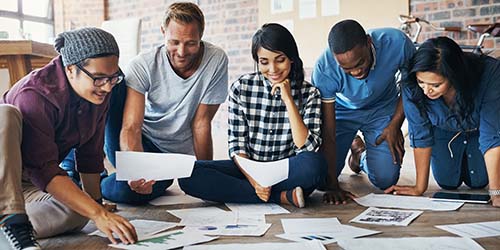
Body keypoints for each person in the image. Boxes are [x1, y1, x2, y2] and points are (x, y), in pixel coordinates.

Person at [60, 2, 228, 205]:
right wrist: (138, 170)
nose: (182, 52)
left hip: (169, 158)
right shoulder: (144, 64)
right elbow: (131, 127)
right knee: (115, 78)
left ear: (201, 36)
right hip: (139, 140)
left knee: (130, 193)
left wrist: (205, 174)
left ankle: (108, 179)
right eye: (174, 42)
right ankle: (83, 172)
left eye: (191, 43)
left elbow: (201, 123)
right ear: (163, 32)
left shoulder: (216, 59)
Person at [0, 27, 137, 250]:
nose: (108, 86)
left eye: (113, 78)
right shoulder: (34, 94)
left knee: (80, 210)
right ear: (71, 69)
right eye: (99, 78)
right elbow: (44, 169)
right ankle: (13, 224)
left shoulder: (98, 93)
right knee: (3, 114)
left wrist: (97, 207)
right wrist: (99, 214)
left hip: (29, 187)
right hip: (7, 181)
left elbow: (90, 155)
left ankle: (7, 230)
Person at [179, 23, 327, 208]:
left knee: (315, 165)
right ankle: (280, 197)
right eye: (264, 62)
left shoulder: (310, 93)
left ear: (291, 58)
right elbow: (237, 147)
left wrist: (289, 100)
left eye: (279, 59)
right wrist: (255, 180)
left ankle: (252, 193)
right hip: (249, 167)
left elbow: (307, 146)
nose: (273, 69)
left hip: (286, 169)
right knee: (188, 174)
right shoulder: (241, 88)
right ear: (257, 61)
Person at [385, 37, 500, 208]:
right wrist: (419, 187)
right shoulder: (411, 84)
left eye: (436, 85)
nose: (426, 90)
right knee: (446, 181)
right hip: (444, 131)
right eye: (421, 81)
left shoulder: (490, 73)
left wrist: (496, 193)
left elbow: (491, 136)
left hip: (480, 130)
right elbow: (420, 133)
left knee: (479, 181)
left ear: (455, 76)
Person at [312, 19, 416, 204]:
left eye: (360, 63)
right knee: (322, 180)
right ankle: (353, 143)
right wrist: (334, 186)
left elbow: (411, 86)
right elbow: (328, 130)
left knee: (386, 179)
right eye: (347, 69)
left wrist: (395, 125)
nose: (356, 72)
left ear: (369, 42)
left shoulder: (397, 43)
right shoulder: (324, 68)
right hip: (341, 113)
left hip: (382, 109)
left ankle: (359, 156)